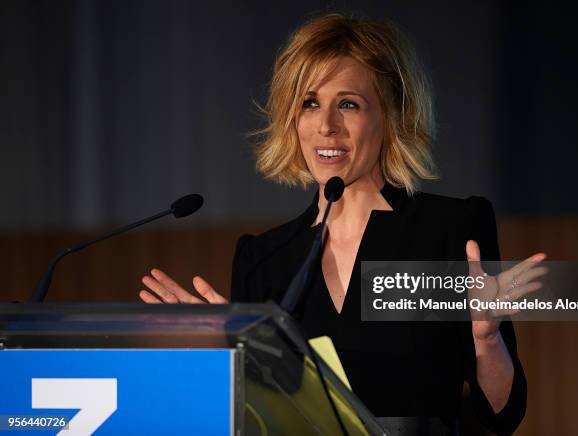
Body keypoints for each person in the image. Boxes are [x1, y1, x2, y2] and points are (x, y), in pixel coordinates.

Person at [140, 14, 546, 435]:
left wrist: (485, 341)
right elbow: (252, 418)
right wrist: (219, 360)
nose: (326, 125)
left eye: (348, 104)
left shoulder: (449, 229)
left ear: (390, 114)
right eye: (309, 103)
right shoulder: (264, 259)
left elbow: (503, 414)